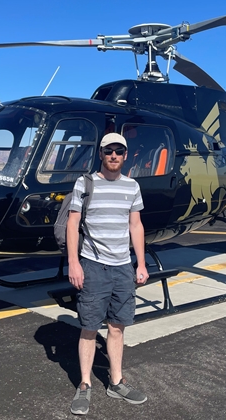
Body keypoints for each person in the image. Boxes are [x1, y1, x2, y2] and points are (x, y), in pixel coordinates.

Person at [66, 132, 149, 416]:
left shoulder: (132, 186)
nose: (114, 155)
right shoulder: (85, 183)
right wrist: (74, 263)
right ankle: (85, 384)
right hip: (93, 266)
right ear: (101, 154)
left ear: (126, 156)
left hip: (123, 267)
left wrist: (141, 264)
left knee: (117, 327)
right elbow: (73, 223)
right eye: (109, 151)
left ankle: (116, 382)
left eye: (119, 151)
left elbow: (135, 226)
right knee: (90, 327)